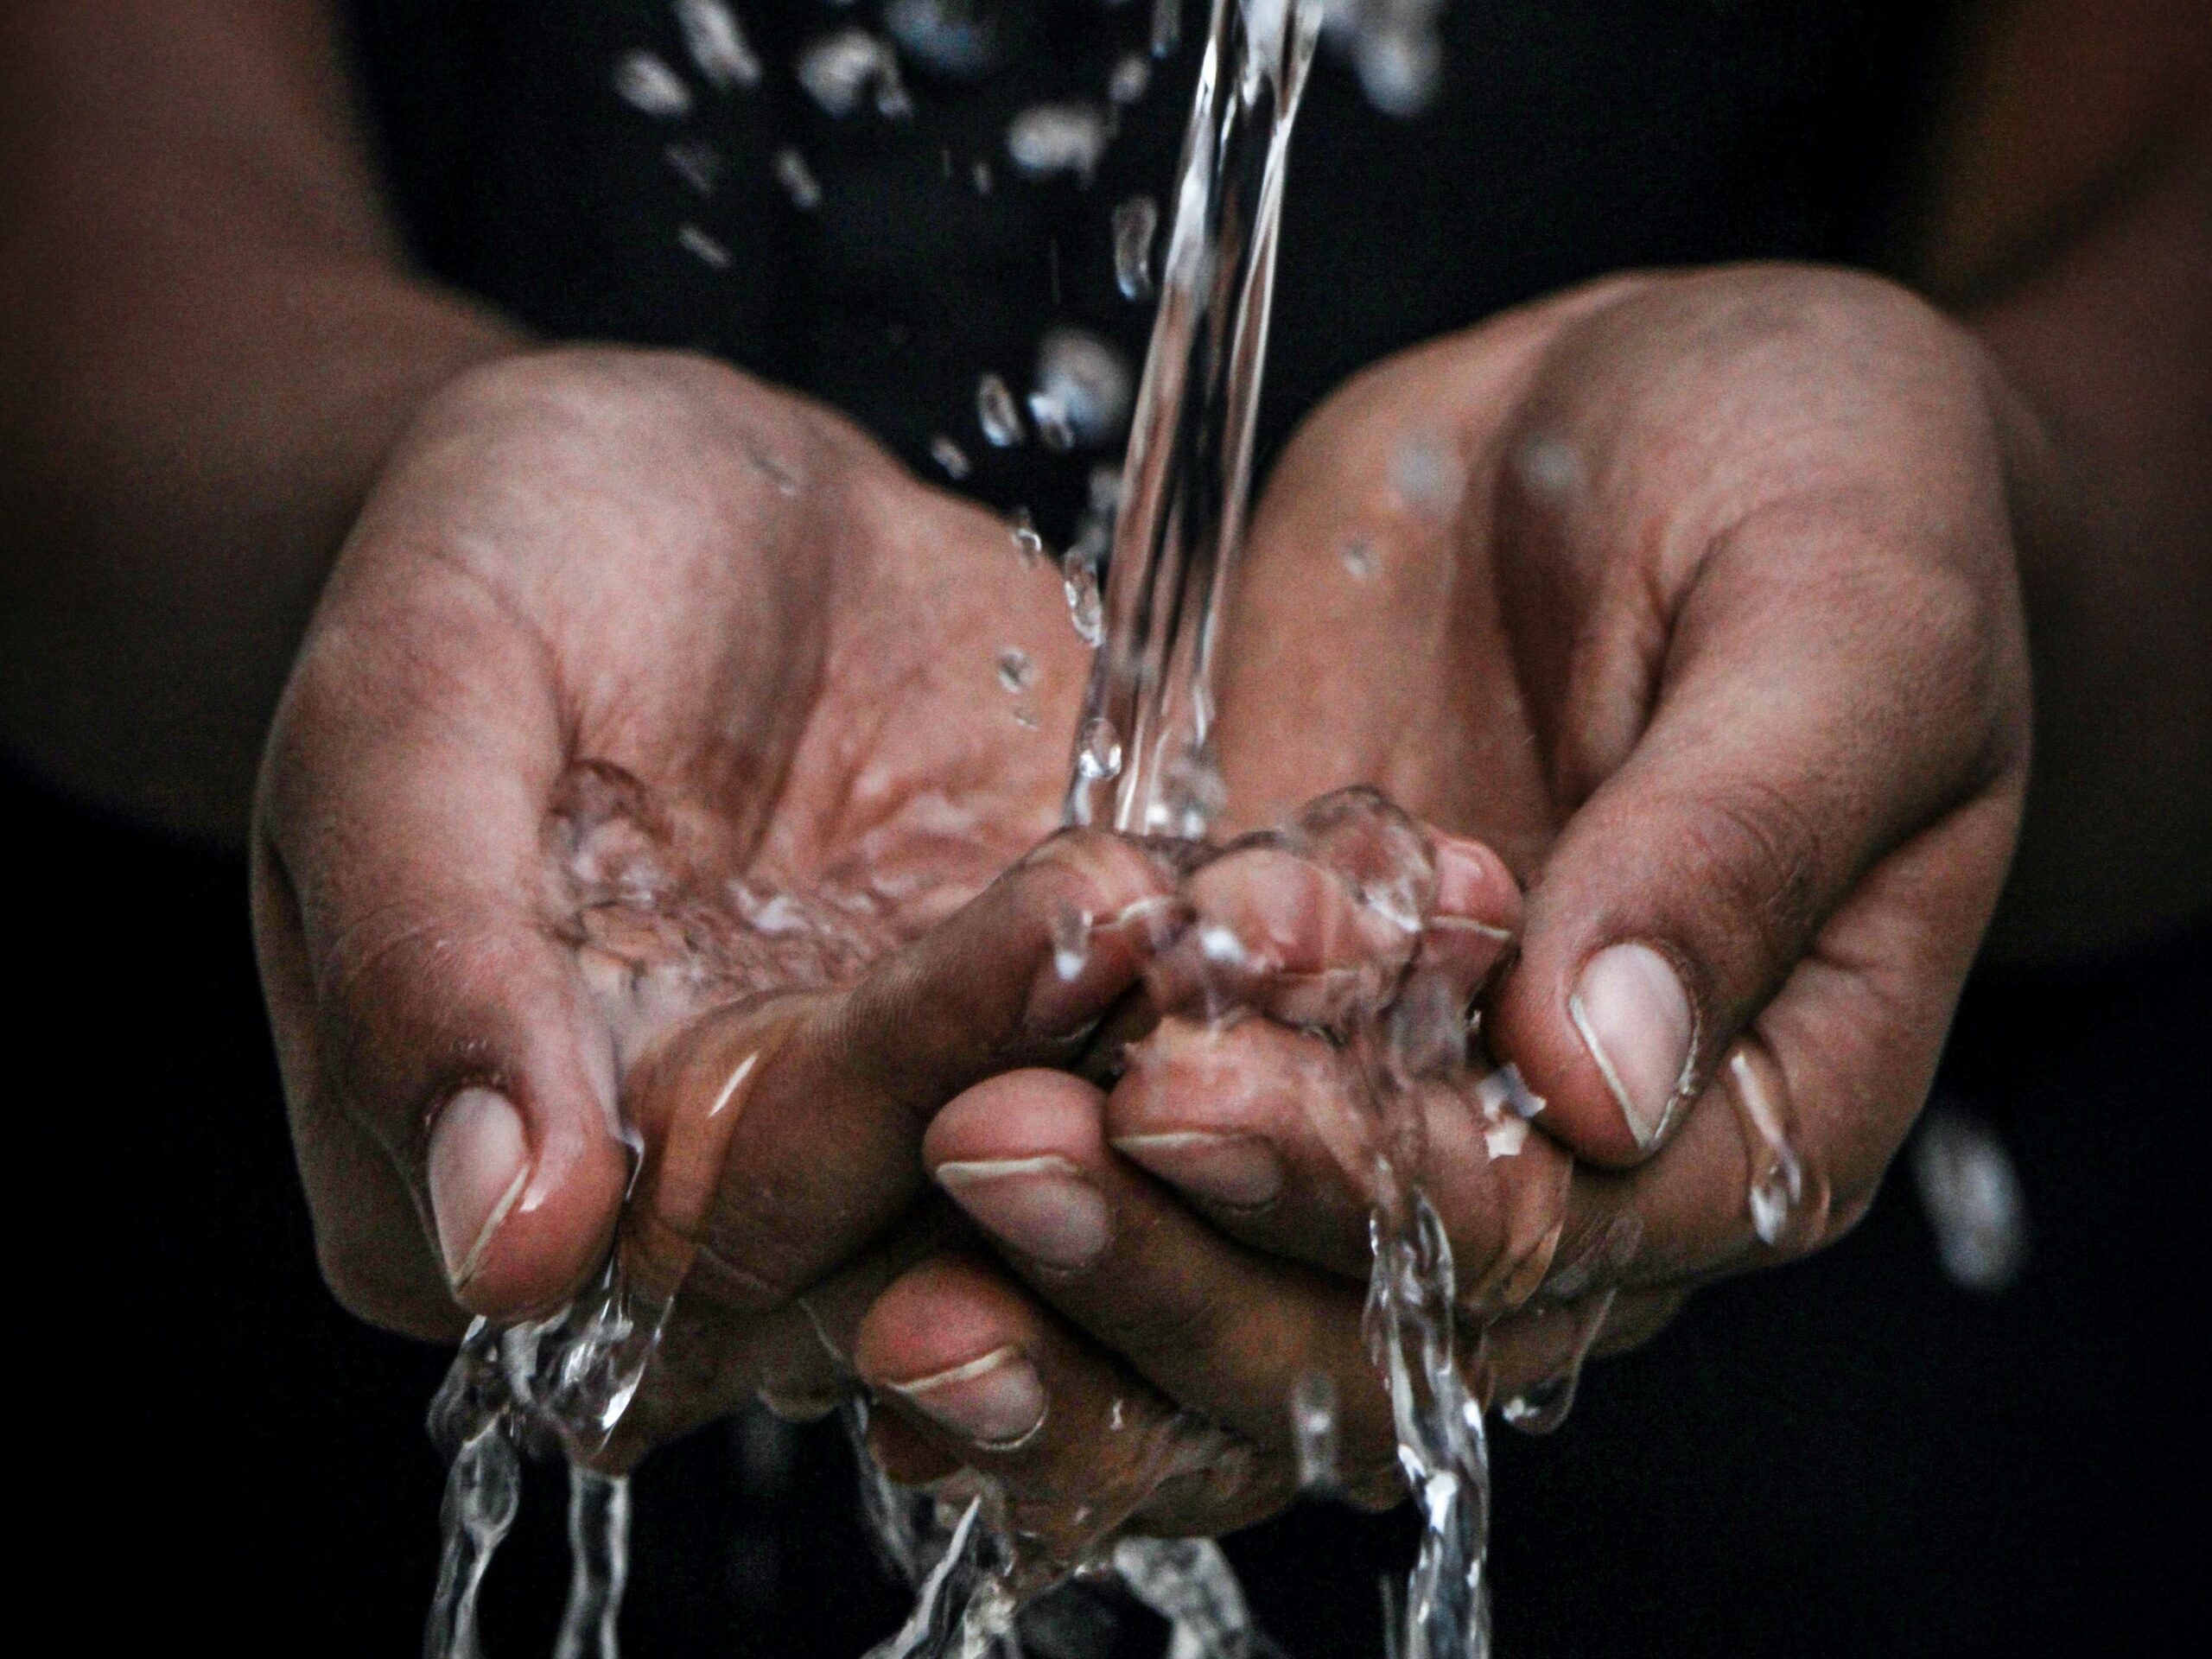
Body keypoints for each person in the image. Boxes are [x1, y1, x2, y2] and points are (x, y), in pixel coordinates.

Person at [3, 0, 2206, 1640]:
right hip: (227, 1313)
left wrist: (1975, 534)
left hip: (1829, 1447)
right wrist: (380, 528)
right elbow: (86, 206)